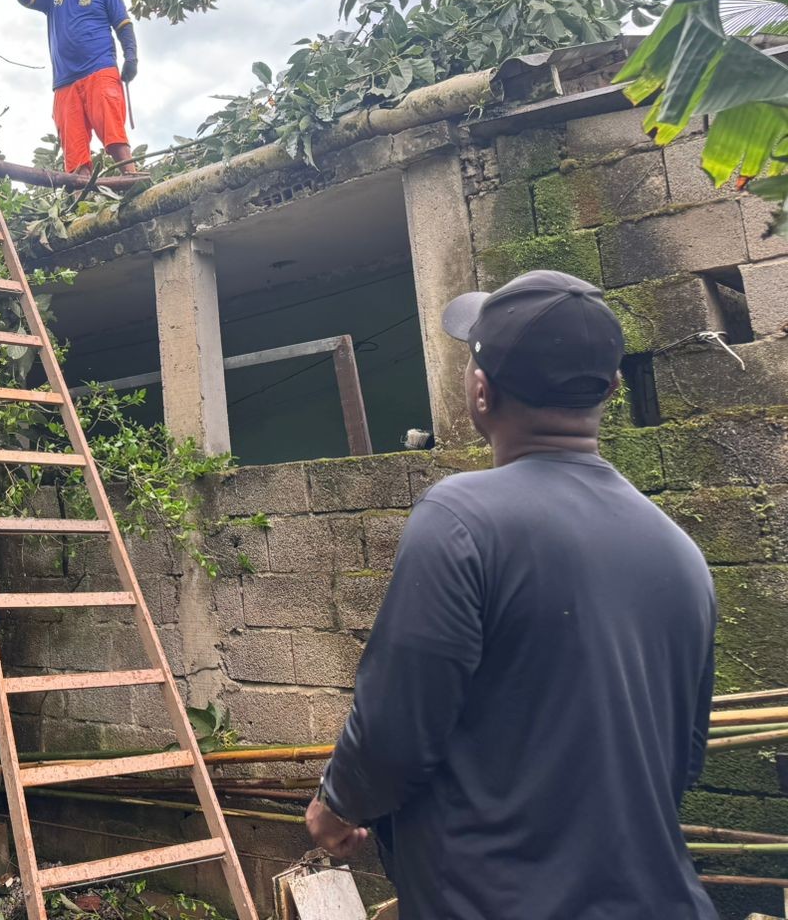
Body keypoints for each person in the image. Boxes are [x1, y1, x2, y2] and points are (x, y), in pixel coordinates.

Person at [305, 269, 718, 919]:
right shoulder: (682, 554)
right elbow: (683, 760)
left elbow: (393, 731)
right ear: (610, 389)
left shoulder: (463, 520)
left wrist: (336, 807)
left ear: (479, 391)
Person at [15, 0, 140, 177]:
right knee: (74, 151)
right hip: (65, 84)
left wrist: (131, 57)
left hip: (100, 72)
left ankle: (133, 180)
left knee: (113, 133)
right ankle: (83, 205)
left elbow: (123, 25)